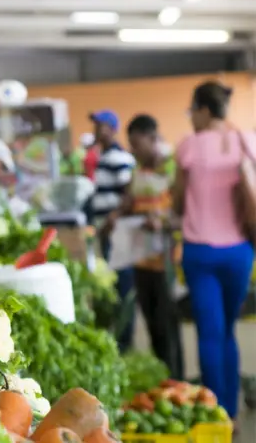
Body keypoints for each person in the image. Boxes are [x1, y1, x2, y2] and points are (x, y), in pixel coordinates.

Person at [174, 81, 255, 425]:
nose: (191, 117)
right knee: (228, 330)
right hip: (239, 252)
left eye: (192, 111)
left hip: (200, 253)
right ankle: (233, 411)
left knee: (209, 332)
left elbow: (177, 201)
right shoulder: (246, 141)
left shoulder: (189, 146)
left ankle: (217, 414)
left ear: (204, 110)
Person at [107, 114, 184, 379]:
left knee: (166, 326)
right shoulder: (138, 172)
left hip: (165, 262)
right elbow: (130, 201)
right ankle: (164, 379)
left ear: (153, 138)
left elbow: (183, 214)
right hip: (140, 259)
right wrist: (117, 214)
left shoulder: (175, 170)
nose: (133, 150)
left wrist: (161, 221)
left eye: (137, 144)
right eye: (131, 145)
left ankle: (177, 379)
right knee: (152, 324)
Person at [88, 109, 136, 352]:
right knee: (116, 286)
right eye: (96, 125)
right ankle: (120, 338)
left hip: (117, 232)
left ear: (113, 129)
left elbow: (130, 192)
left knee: (123, 285)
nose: (97, 130)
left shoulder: (119, 158)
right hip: (108, 231)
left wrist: (112, 219)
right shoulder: (103, 156)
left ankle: (125, 341)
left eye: (101, 125)